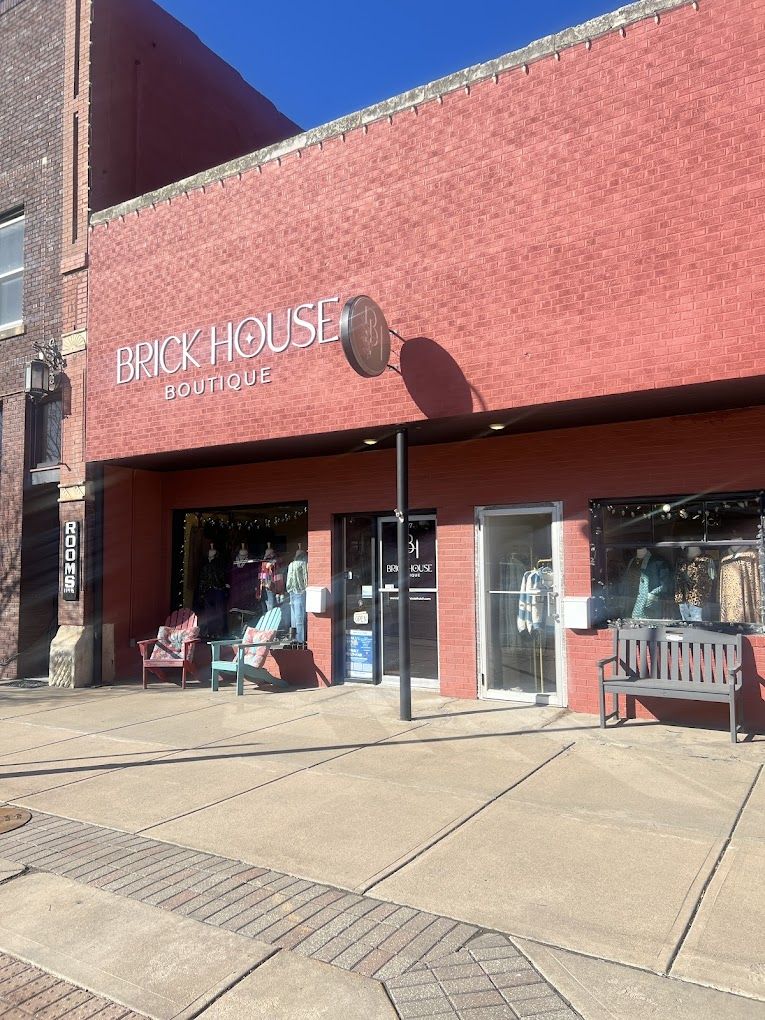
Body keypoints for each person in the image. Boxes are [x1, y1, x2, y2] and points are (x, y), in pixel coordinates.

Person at [286, 547, 308, 645]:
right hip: (300, 591)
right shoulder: (304, 564)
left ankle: (295, 637)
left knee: (295, 616)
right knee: (299, 616)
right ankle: (300, 639)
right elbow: (306, 578)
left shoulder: (291, 564)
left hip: (292, 592)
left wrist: (289, 589)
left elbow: (288, 580)